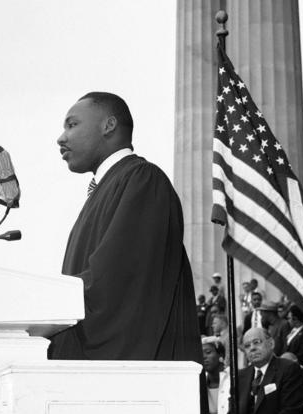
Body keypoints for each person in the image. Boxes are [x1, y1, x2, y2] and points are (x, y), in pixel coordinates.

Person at [47, 91, 200, 361]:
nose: (61, 137)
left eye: (72, 125)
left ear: (108, 125)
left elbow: (117, 283)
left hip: (133, 378)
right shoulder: (106, 188)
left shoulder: (142, 181)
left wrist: (45, 303)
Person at [202, 337, 230, 414]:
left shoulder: (234, 378)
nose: (204, 357)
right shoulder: (199, 380)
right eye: (201, 354)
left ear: (220, 355)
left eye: (208, 352)